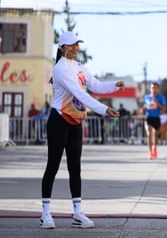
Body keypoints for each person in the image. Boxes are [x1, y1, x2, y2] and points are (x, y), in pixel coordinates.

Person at [40, 31, 125, 229]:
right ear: (62, 47)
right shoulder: (60, 69)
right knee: (52, 165)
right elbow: (79, 93)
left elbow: (94, 85)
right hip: (59, 120)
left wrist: (114, 85)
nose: (75, 48)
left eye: (77, 44)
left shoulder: (79, 67)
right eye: (71, 45)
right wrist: (104, 109)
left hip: (76, 121)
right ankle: (45, 214)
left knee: (75, 168)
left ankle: (77, 212)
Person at [141, 82, 167, 159]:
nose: (154, 89)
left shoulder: (161, 97)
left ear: (158, 89)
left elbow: (164, 109)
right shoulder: (146, 97)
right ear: (150, 89)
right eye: (152, 88)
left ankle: (154, 148)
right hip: (148, 117)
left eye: (155, 88)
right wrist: (143, 109)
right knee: (149, 134)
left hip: (156, 117)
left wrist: (157, 103)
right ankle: (150, 153)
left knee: (155, 134)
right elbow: (143, 109)